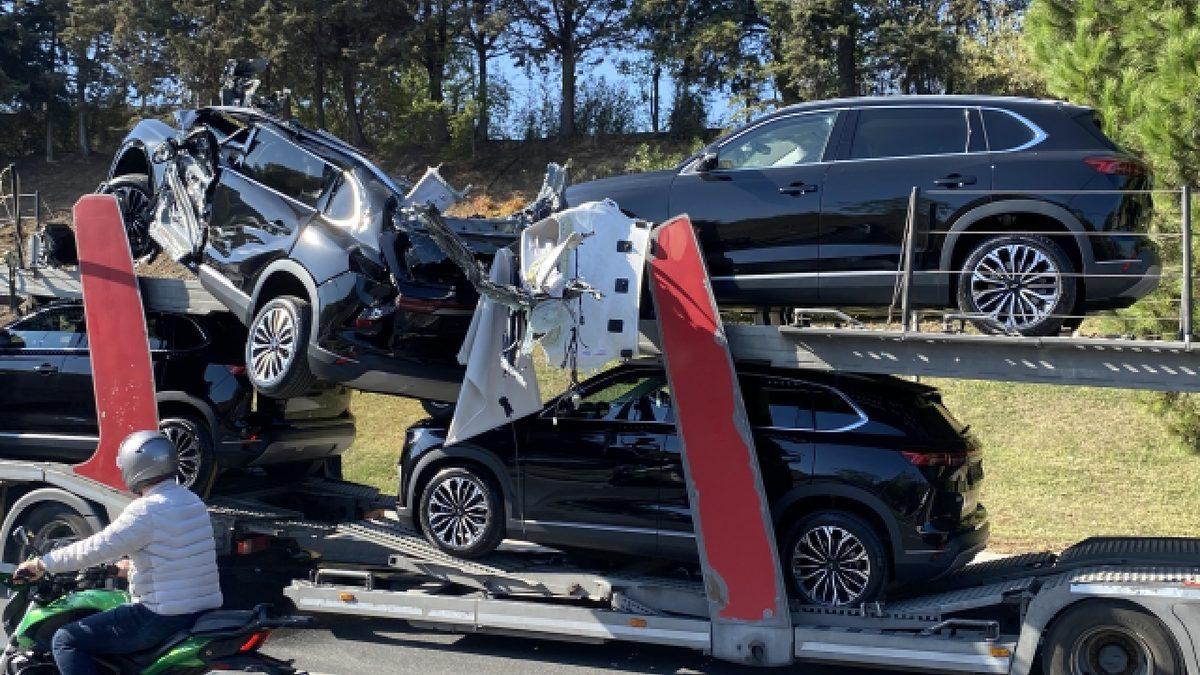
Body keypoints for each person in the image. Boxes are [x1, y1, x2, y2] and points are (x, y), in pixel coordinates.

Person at [15, 430, 223, 675]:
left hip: (161, 616)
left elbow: (94, 548)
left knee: (66, 640)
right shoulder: (191, 500)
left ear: (135, 466)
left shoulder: (146, 510)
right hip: (203, 609)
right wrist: (129, 568)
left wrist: (41, 564)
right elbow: (176, 555)